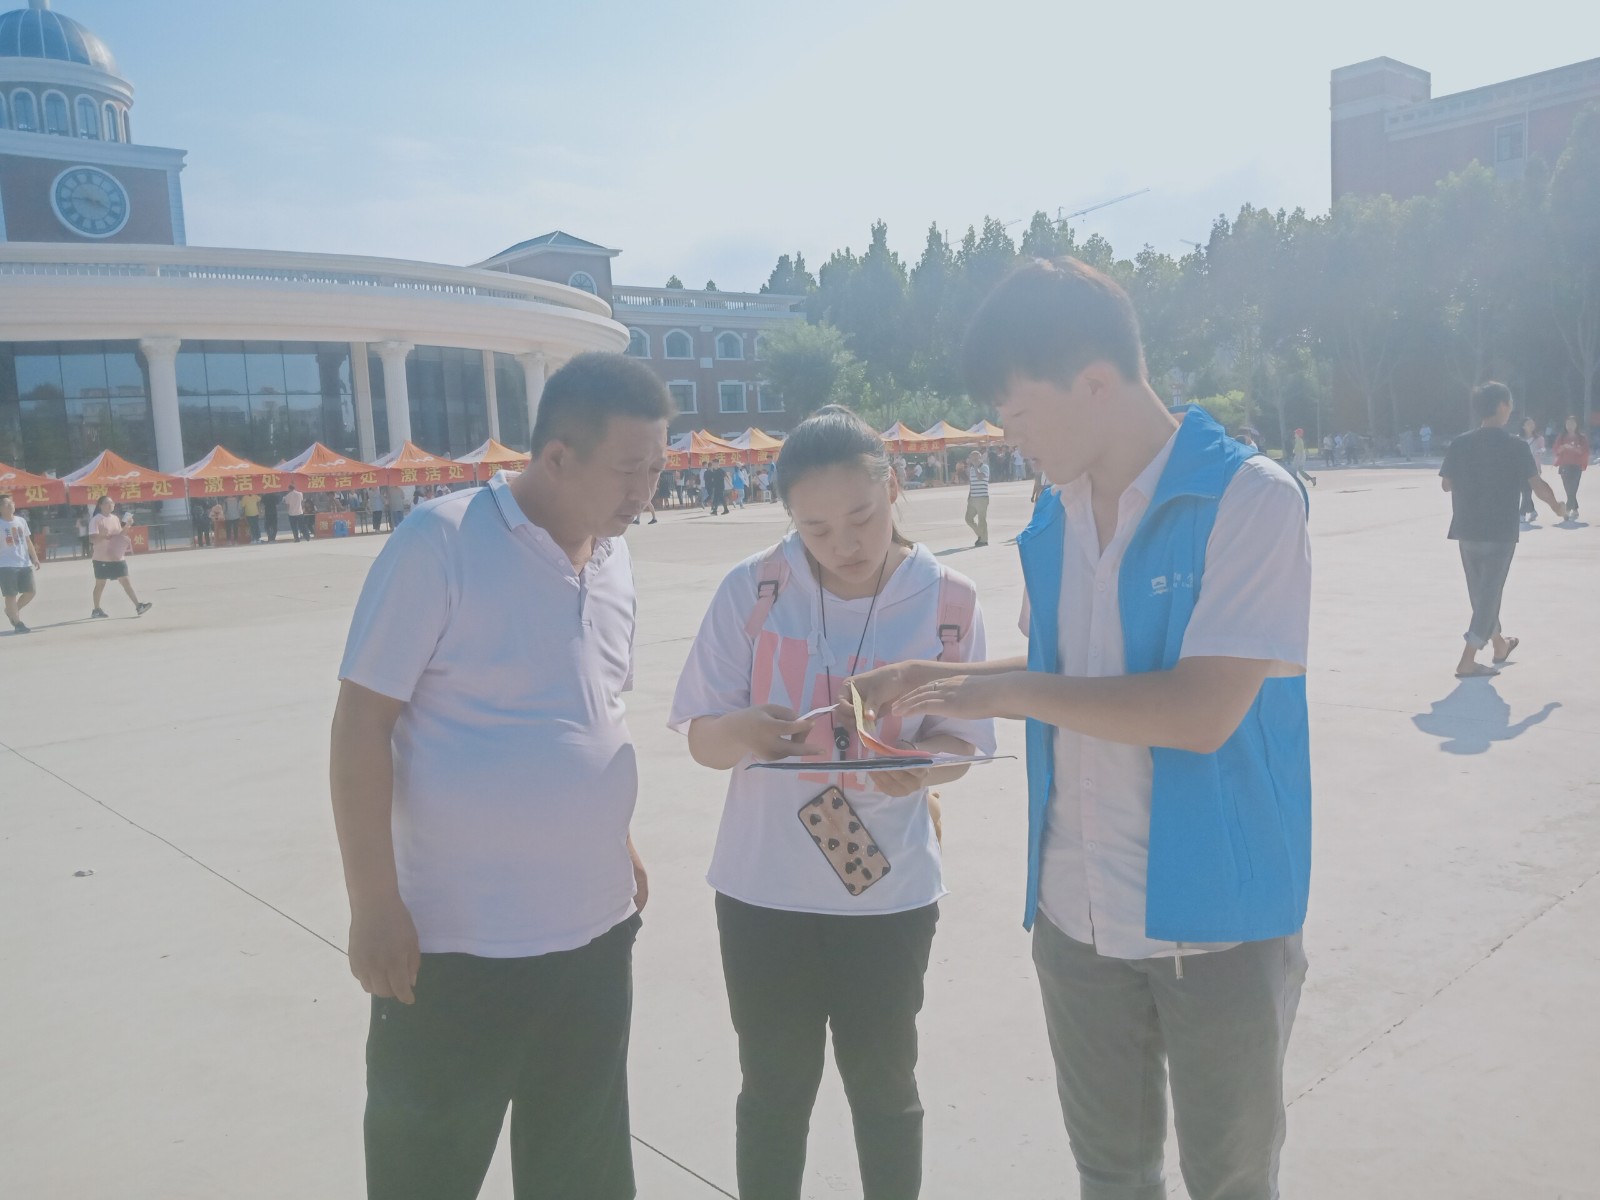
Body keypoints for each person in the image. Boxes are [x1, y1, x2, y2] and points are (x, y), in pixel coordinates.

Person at [850, 257, 1314, 1200]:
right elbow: (1064, 671)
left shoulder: (1249, 499)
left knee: (1231, 1180)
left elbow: (1201, 710)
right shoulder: (1054, 518)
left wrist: (1006, 696)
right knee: (1110, 1173)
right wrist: (937, 681)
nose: (1010, 437)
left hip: (1216, 924)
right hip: (1077, 915)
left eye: (1019, 413)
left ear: (1096, 382)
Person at [331, 353, 671, 1200]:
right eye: (630, 469)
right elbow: (361, 724)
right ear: (557, 457)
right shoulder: (441, 542)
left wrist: (617, 839)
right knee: (426, 1172)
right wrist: (373, 903)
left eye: (658, 468)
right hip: (457, 948)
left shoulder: (615, 561)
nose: (647, 491)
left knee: (582, 1171)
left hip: (594, 939)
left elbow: (591, 708)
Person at [670, 405, 994, 1200]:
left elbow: (963, 745)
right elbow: (702, 740)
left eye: (861, 517)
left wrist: (920, 768)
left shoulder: (948, 602)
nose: (844, 544)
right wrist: (743, 730)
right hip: (763, 891)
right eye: (815, 529)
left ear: (895, 487)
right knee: (773, 1089)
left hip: (889, 895)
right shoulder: (753, 590)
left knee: (885, 1086)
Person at [1440, 382, 1565, 679]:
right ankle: (1467, 659)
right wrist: (1557, 506)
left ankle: (1499, 644)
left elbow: (1446, 484)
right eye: (1509, 404)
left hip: (1466, 528)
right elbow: (1537, 485)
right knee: (1489, 594)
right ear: (1501, 407)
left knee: (1481, 593)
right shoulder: (1515, 446)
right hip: (1499, 531)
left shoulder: (1460, 443)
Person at [88, 494, 151, 618]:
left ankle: (139, 606)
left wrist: (127, 526)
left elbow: (120, 535)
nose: (110, 505)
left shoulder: (115, 518)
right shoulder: (96, 520)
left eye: (112, 503)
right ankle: (96, 609)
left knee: (125, 580)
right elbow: (91, 539)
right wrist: (103, 536)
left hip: (117, 556)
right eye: (107, 503)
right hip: (102, 558)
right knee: (100, 584)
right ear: (100, 506)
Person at [1, 493, 43, 633]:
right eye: (7, 503)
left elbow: (28, 540)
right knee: (11, 594)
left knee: (31, 591)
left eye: (11, 503)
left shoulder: (21, 521)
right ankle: (18, 623)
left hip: (24, 562)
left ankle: (11, 611)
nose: (11, 505)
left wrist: (34, 557)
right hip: (6, 565)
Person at [1552, 415, 1590, 521]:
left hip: (1576, 466)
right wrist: (1563, 447)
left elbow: (1585, 451)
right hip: (1564, 465)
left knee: (1573, 488)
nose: (1570, 426)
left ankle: (1567, 510)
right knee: (1568, 489)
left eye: (1572, 423)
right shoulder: (1562, 437)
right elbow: (1556, 450)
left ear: (1577, 425)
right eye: (1568, 423)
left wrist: (1573, 448)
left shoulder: (1581, 437)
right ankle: (1575, 508)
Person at [1518, 417, 1545, 523]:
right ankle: (1532, 511)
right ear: (1523, 426)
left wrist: (1540, 451)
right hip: (1520, 469)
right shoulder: (1518, 439)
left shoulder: (1539, 438)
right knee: (1525, 491)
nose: (1531, 426)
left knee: (1527, 491)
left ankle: (1521, 514)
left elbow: (1543, 448)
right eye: (1529, 424)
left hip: (1533, 468)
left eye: (1532, 424)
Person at [963, 449, 989, 547]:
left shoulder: (984, 467)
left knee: (981, 519)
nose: (973, 459)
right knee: (968, 519)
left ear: (980, 457)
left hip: (982, 497)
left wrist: (975, 467)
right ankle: (981, 535)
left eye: (975, 457)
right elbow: (972, 483)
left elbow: (980, 477)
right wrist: (969, 496)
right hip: (973, 498)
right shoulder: (971, 469)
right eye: (971, 457)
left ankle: (984, 540)